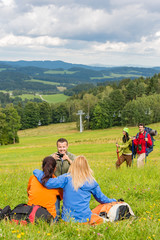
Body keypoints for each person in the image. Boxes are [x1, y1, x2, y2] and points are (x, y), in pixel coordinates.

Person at [33, 155, 117, 225]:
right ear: (86, 166)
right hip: (85, 220)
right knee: (99, 214)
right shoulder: (91, 182)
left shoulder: (66, 178)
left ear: (73, 165)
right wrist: (114, 201)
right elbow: (102, 199)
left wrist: (36, 171)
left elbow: (48, 183)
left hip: (67, 220)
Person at [27, 156, 63, 221]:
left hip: (30, 214)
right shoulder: (56, 182)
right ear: (55, 168)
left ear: (42, 167)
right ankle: (56, 218)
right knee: (57, 197)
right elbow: (61, 197)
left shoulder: (32, 178)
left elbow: (28, 193)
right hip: (49, 218)